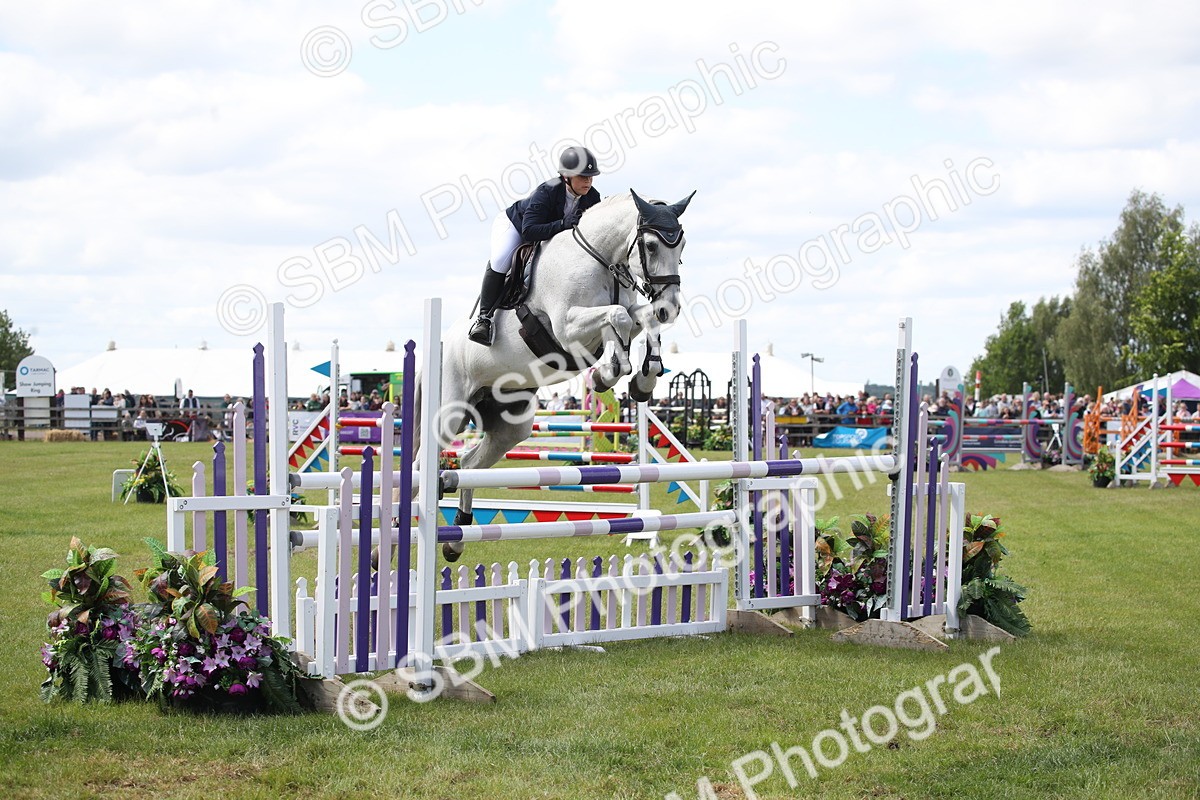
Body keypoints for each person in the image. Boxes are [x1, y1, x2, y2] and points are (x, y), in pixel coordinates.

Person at [468, 146, 603, 346]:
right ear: (566, 176)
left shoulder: (593, 197)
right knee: (501, 259)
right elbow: (529, 230)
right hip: (515, 225)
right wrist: (562, 225)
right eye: (583, 176)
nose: (588, 181)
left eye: (591, 177)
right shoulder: (547, 191)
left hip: (545, 236)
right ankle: (484, 319)